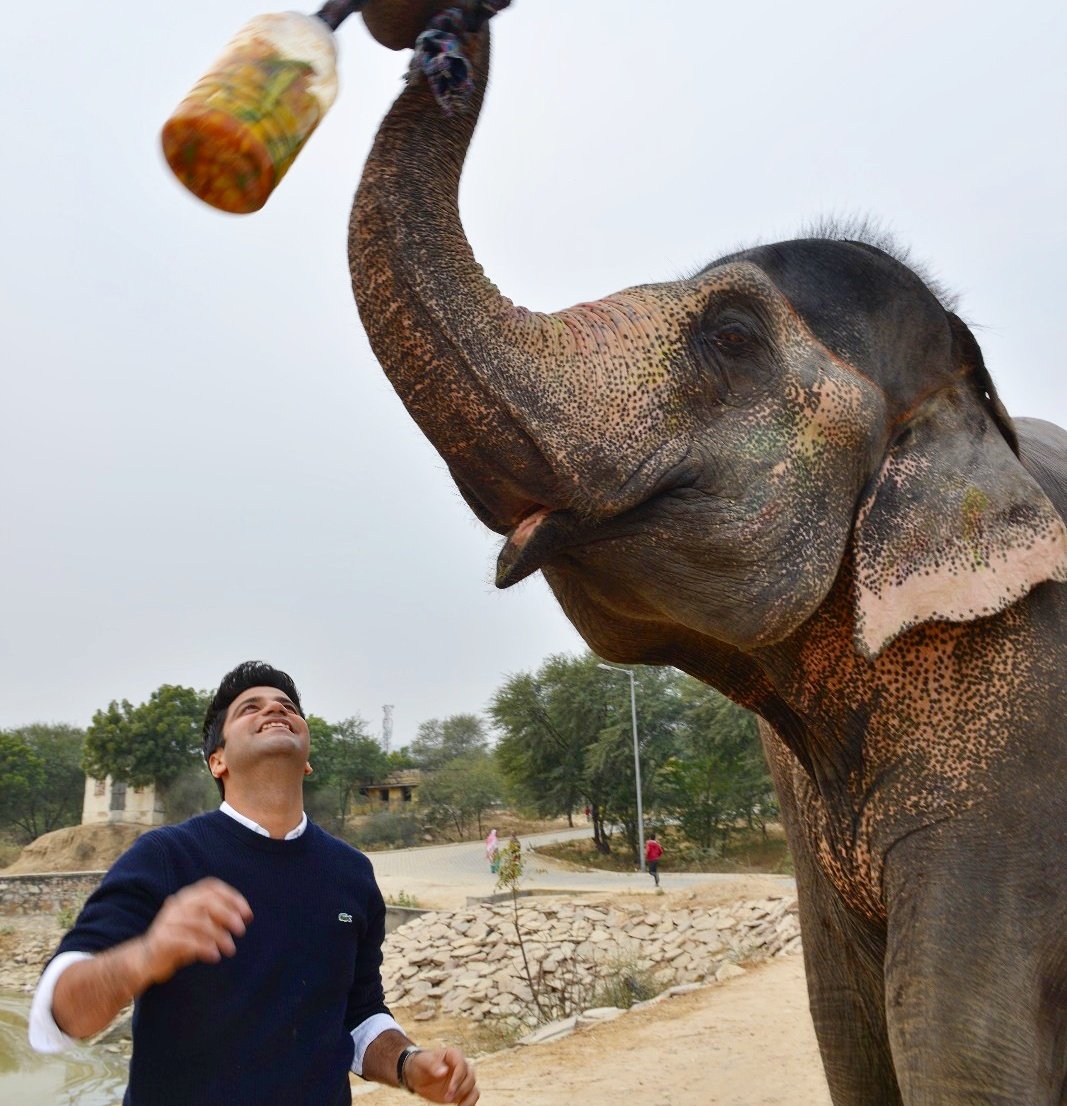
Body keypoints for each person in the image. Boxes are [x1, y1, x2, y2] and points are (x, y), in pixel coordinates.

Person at [28, 660, 478, 1106]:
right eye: (250, 708)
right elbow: (61, 1014)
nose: (275, 710)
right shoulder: (165, 857)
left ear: (307, 762)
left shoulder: (351, 872)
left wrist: (409, 1065)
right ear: (217, 760)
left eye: (287, 706)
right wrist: (147, 955)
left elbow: (359, 1015)